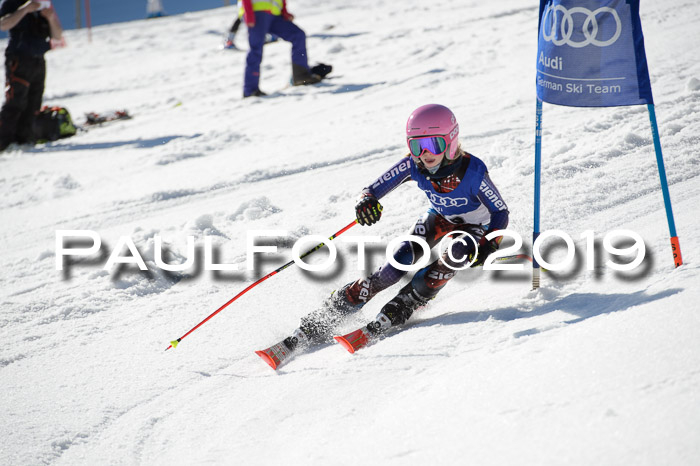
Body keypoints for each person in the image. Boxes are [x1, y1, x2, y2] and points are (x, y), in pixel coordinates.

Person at [256, 104, 510, 368]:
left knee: (456, 254)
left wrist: (490, 243)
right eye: (416, 146)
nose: (424, 154)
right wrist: (366, 202)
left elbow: (500, 211)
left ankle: (412, 299)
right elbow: (372, 189)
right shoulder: (414, 165)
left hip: (476, 227)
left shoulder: (472, 171)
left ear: (451, 140)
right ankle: (338, 307)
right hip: (439, 218)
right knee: (396, 264)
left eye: (433, 145)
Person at [0, 0, 62, 151]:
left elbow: (57, 37)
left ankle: (25, 140)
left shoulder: (42, 4)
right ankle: (3, 141)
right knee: (15, 102)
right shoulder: (12, 3)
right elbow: (3, 25)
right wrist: (25, 9)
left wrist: (50, 17)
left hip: (38, 59)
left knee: (34, 102)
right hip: (19, 58)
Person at [240, 0, 331, 98]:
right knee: (256, 48)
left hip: (275, 14)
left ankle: (301, 75)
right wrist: (249, 13)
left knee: (298, 35)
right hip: (257, 12)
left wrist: (284, 11)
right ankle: (250, 90)